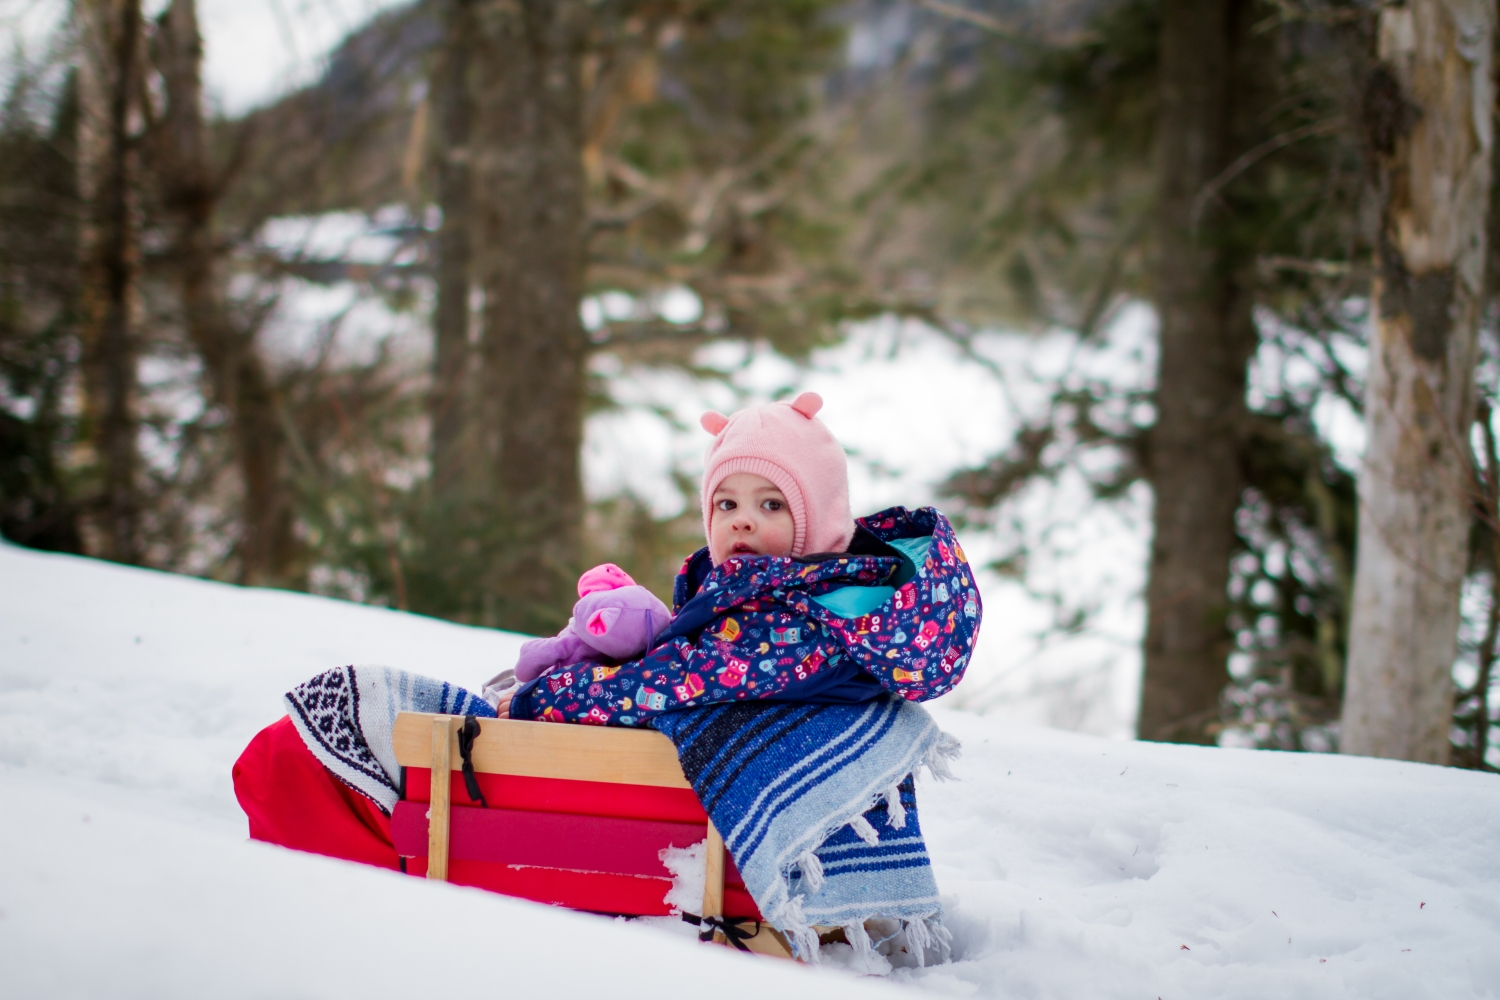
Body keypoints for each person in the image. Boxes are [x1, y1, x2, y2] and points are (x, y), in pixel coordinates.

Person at [494, 391, 981, 725]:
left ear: (821, 520)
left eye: (771, 504)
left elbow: (675, 682)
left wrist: (546, 697)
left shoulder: (809, 618)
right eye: (726, 504)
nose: (741, 521)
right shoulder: (774, 591)